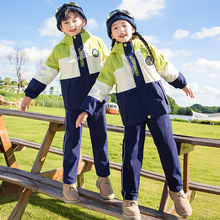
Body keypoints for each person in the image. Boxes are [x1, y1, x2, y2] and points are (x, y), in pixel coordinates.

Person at [76, 9, 194, 219]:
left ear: (132, 28)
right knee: (131, 155)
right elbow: (100, 86)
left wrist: (182, 84)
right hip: (132, 109)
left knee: (167, 148)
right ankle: (129, 199)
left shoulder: (147, 48)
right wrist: (87, 107)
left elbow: (166, 67)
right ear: (111, 35)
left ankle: (177, 191)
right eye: (115, 28)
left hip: (156, 105)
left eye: (124, 25)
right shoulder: (112, 60)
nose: (120, 30)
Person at [20, 2, 114, 203]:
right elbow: (46, 72)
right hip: (73, 102)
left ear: (83, 21)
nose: (71, 25)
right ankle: (69, 182)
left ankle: (103, 178)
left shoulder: (96, 41)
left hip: (96, 100)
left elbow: (111, 68)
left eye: (75, 20)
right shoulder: (59, 49)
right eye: (66, 22)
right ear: (60, 28)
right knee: (72, 142)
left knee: (100, 138)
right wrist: (30, 93)